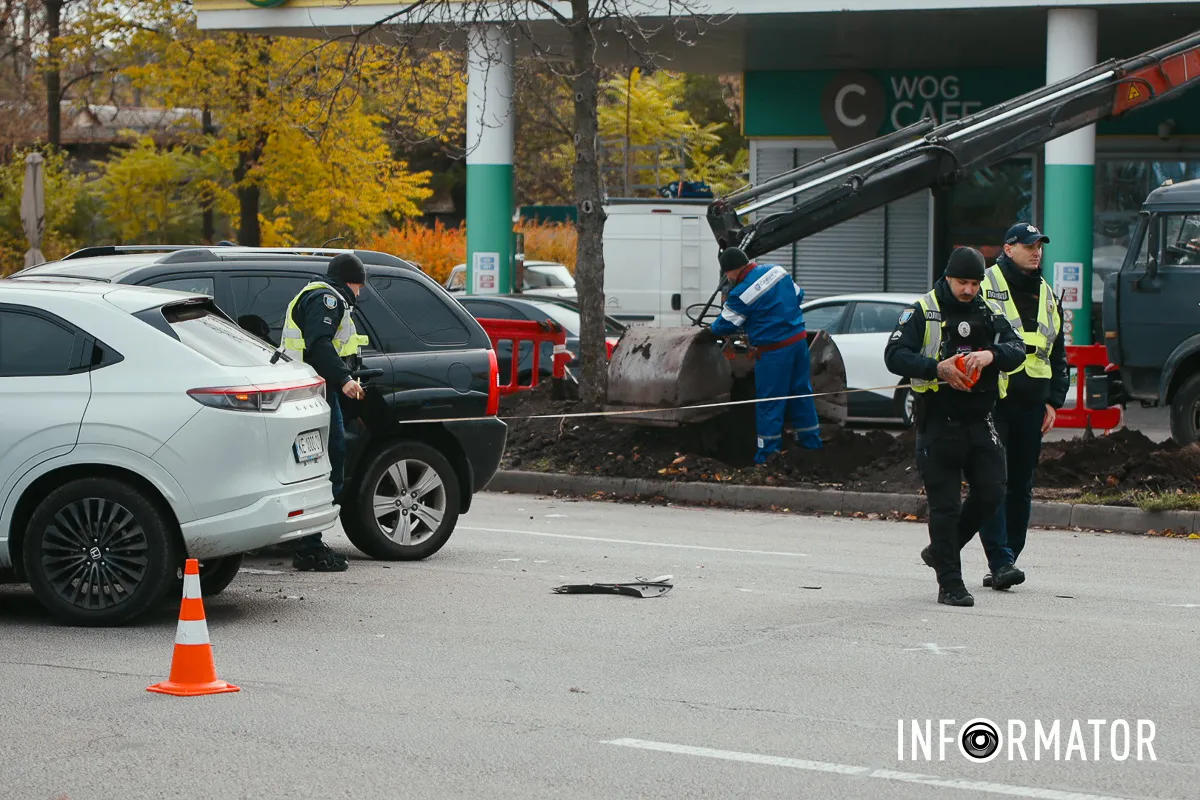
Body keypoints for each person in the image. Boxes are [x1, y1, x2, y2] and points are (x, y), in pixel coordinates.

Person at [884, 247, 1026, 607]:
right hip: (938, 422)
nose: (969, 290)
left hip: (980, 419)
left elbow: (1018, 349)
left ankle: (941, 549)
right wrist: (937, 368)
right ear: (948, 277)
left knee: (992, 492)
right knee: (944, 507)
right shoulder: (923, 310)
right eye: (963, 282)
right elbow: (894, 356)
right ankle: (950, 583)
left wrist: (989, 355)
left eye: (975, 283)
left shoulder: (988, 310)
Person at [977, 223, 1069, 589]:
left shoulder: (1047, 293)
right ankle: (999, 559)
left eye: (1040, 246)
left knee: (1021, 485)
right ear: (1009, 248)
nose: (1036, 252)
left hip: (1033, 405)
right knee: (993, 482)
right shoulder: (985, 284)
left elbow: (1057, 354)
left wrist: (1054, 402)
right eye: (1029, 246)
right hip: (994, 401)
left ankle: (1009, 557)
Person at [277, 253, 371, 572]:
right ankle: (309, 547)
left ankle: (309, 541)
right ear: (350, 281)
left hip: (307, 392)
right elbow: (319, 345)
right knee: (326, 464)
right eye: (359, 286)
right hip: (312, 393)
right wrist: (344, 380)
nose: (359, 294)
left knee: (319, 464)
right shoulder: (327, 300)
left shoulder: (322, 297)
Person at [708, 246, 823, 465]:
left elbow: (724, 325)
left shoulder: (740, 293)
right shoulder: (777, 271)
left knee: (770, 402)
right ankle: (811, 444)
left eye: (727, 274)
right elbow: (799, 294)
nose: (728, 278)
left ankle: (767, 455)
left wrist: (708, 333)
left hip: (774, 352)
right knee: (801, 394)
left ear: (731, 271)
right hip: (799, 344)